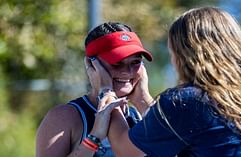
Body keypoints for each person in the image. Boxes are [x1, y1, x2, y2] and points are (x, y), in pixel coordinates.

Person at [89, 7, 241, 157]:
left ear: (183, 55)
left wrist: (107, 92)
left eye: (172, 53)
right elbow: (173, 130)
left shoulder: (186, 101)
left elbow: (126, 149)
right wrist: (141, 99)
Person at [36, 22, 153, 157]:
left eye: (135, 62)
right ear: (92, 65)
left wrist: (144, 99)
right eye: (116, 63)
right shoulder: (64, 117)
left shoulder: (141, 116)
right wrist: (94, 138)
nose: (127, 72)